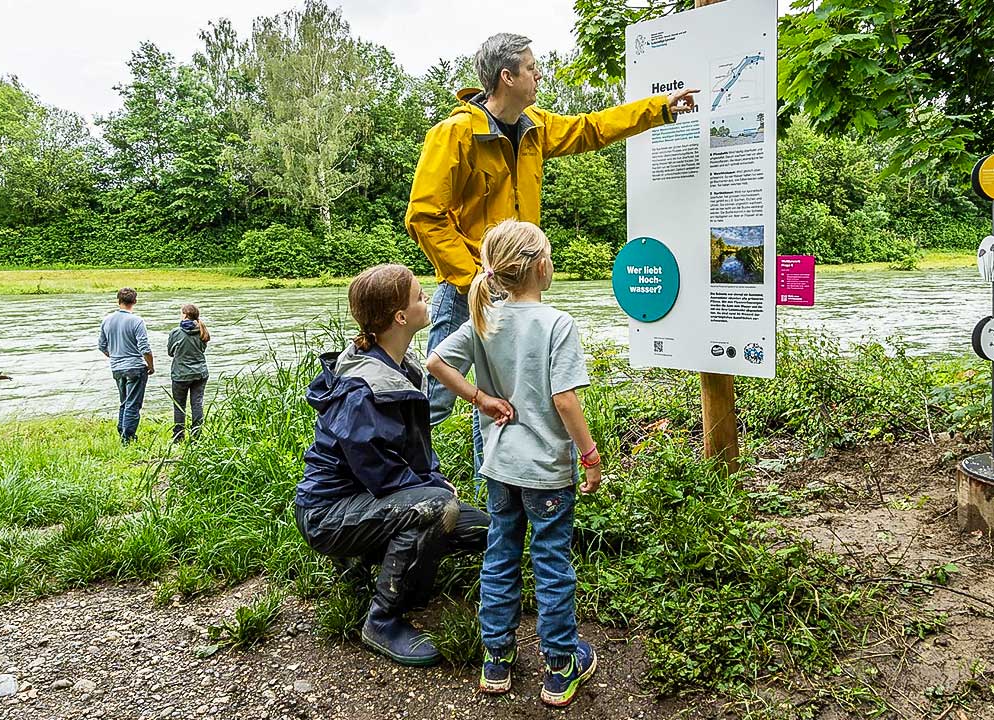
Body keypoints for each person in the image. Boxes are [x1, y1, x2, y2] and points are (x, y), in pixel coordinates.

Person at [406, 32, 699, 428]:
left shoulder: (536, 126)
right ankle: (406, 485)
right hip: (466, 291)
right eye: (531, 68)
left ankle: (490, 486)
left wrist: (659, 108)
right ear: (507, 77)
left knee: (500, 401)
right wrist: (473, 277)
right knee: (434, 402)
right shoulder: (455, 133)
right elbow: (425, 216)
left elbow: (591, 128)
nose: (539, 75)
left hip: (517, 289)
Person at [426, 220, 604, 707]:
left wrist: (480, 399)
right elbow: (565, 401)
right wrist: (589, 456)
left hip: (500, 468)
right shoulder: (556, 324)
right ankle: (560, 665)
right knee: (551, 562)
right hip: (547, 471)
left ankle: (497, 662)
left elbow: (436, 363)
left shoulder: (487, 318)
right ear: (540, 266)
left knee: (501, 556)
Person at [293, 265, 497, 667]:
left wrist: (434, 481)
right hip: (328, 513)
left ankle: (368, 560)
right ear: (400, 318)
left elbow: (414, 452)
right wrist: (436, 492)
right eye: (421, 297)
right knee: (437, 510)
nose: (428, 303)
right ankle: (382, 618)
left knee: (488, 531)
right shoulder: (363, 387)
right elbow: (380, 473)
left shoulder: (400, 368)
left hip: (369, 499)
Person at [97, 287, 154, 444]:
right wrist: (151, 366)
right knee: (133, 404)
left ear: (118, 301)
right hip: (135, 367)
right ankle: (127, 438)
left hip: (116, 367)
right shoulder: (137, 321)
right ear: (134, 301)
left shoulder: (106, 320)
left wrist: (115, 356)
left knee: (124, 402)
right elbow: (145, 348)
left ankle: (122, 431)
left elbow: (102, 346)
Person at [167, 303, 210, 442]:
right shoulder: (202, 330)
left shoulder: (175, 332)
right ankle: (197, 436)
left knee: (179, 406)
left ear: (185, 315)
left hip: (180, 374)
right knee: (197, 404)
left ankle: (178, 437)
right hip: (200, 374)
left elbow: (170, 352)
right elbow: (202, 350)